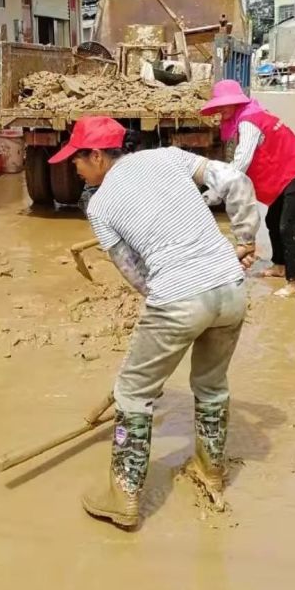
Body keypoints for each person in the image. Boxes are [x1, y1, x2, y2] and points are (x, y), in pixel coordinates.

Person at [49, 116, 260, 530]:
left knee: (132, 393)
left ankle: (123, 495)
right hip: (231, 290)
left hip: (179, 297)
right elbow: (236, 180)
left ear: (97, 156)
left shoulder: (100, 205)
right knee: (212, 386)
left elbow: (135, 273)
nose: (72, 167)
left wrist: (170, 315)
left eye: (77, 159)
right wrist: (246, 240)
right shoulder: (168, 157)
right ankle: (210, 468)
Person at [200, 79, 295, 298]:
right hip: (287, 174)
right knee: (273, 221)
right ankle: (280, 266)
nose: (222, 109)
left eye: (227, 104)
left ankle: (293, 283)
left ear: (236, 103)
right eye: (220, 105)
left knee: (287, 227)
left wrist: (217, 191)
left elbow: (241, 162)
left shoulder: (248, 122)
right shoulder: (245, 116)